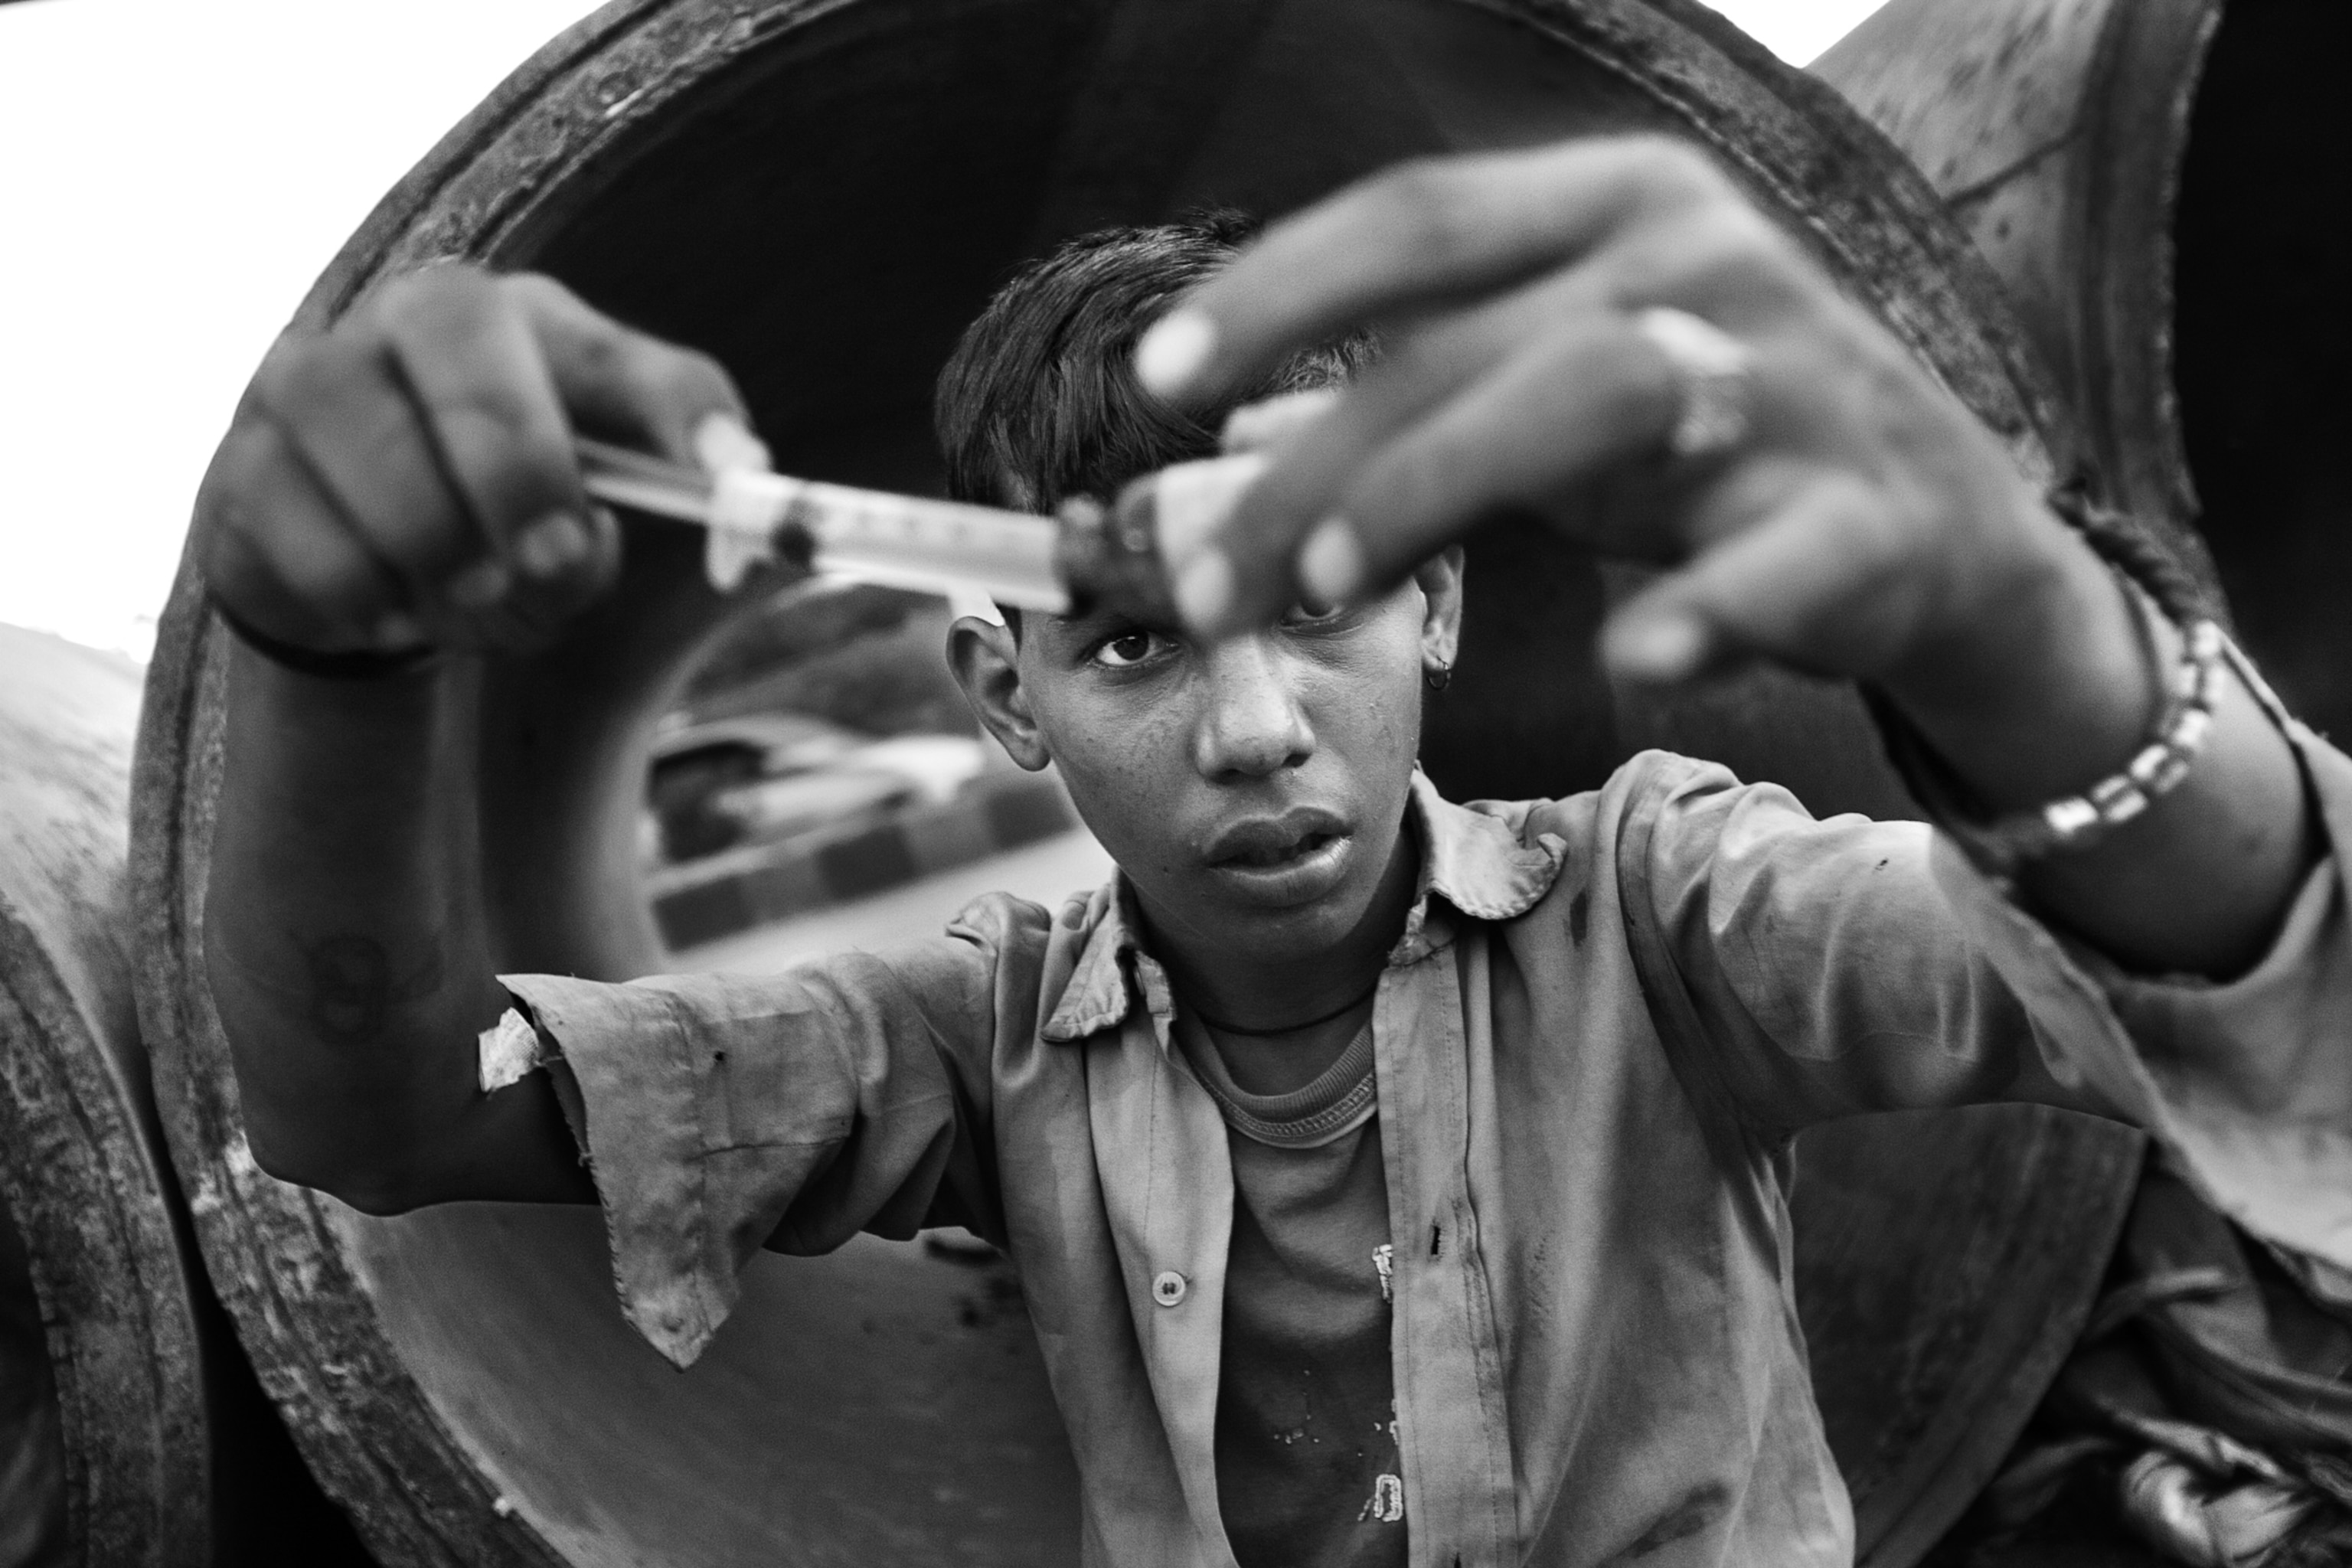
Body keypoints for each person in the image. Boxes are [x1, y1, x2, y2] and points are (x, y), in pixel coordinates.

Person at [194, 138, 2351, 1567]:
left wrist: (2044, 654)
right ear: (1004, 693)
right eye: (1132, 639)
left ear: (1434, 602)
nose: (1250, 729)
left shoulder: (1670, 913)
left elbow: (2147, 969)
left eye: (1314, 598)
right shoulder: (986, 1048)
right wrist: (331, 664)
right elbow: (378, 1114)